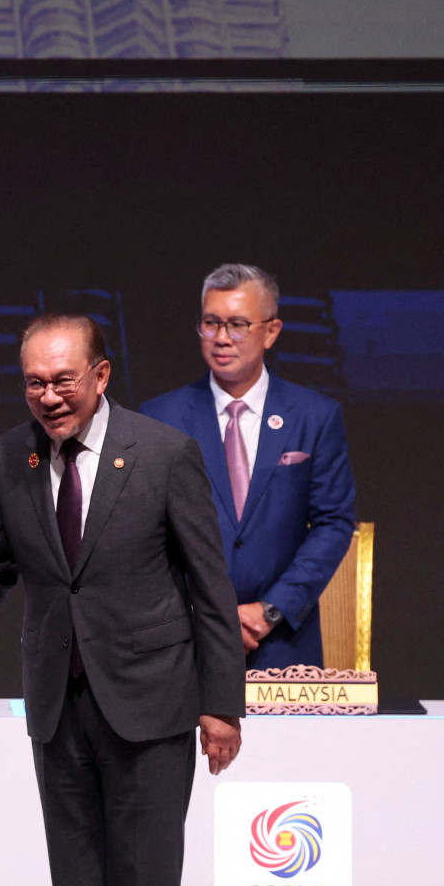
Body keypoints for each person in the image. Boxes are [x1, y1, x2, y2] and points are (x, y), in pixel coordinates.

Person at [0, 314, 245, 886]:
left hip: (150, 708)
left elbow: (210, 588)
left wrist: (223, 706)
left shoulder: (163, 454)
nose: (48, 397)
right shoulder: (6, 459)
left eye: (62, 380)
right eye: (34, 383)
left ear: (100, 375)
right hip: (57, 710)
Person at [140, 264, 356, 670]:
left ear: (271, 331)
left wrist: (270, 610)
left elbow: (333, 523)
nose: (222, 338)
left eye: (238, 325)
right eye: (211, 323)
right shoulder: (159, 418)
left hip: (282, 640)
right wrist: (202, 615)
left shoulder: (315, 416)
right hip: (183, 640)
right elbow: (144, 532)